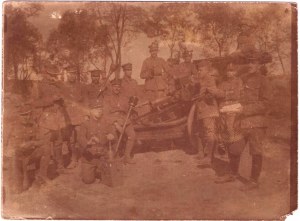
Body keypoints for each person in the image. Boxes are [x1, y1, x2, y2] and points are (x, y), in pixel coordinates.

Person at [238, 58, 270, 190]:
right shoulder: (244, 79)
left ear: (259, 65)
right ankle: (233, 173)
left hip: (257, 121)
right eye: (248, 62)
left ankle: (254, 181)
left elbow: (266, 104)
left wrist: (244, 110)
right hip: (243, 121)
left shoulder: (264, 81)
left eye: (254, 63)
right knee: (234, 146)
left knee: (256, 150)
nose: (250, 65)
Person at [214, 63, 245, 183]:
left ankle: (233, 172)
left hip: (234, 112)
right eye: (228, 71)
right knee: (226, 140)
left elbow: (238, 95)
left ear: (235, 72)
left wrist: (225, 94)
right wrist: (224, 95)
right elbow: (218, 96)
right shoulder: (223, 83)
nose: (229, 73)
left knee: (234, 141)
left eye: (232, 71)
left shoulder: (239, 81)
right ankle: (232, 170)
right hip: (223, 112)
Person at [77, 101, 116, 184]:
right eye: (96, 109)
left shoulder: (106, 123)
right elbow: (80, 138)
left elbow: (114, 135)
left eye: (101, 109)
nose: (99, 111)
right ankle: (92, 170)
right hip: (89, 157)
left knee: (110, 178)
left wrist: (112, 136)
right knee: (88, 180)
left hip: (103, 156)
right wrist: (88, 142)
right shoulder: (85, 124)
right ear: (90, 111)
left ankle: (100, 169)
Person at [196, 60, 224, 168]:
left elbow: (215, 93)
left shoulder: (209, 79)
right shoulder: (201, 80)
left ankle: (209, 158)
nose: (199, 72)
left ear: (207, 70)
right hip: (203, 110)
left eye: (201, 70)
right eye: (198, 70)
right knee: (205, 133)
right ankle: (206, 156)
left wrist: (210, 93)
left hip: (209, 110)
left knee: (210, 133)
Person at [103, 79, 137, 164]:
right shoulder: (107, 98)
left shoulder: (124, 97)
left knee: (132, 135)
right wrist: (116, 124)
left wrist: (132, 108)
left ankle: (127, 156)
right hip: (112, 119)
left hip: (124, 118)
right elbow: (106, 114)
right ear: (112, 87)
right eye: (115, 86)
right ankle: (116, 155)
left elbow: (129, 109)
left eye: (118, 86)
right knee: (114, 135)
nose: (116, 88)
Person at [60, 66, 86, 169]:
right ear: (67, 74)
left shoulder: (80, 86)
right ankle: (73, 159)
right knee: (71, 140)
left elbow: (85, 101)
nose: (72, 76)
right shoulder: (63, 87)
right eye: (70, 73)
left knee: (81, 138)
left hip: (79, 117)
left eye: (74, 73)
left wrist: (85, 114)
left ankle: (82, 158)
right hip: (68, 117)